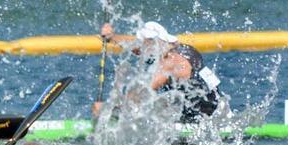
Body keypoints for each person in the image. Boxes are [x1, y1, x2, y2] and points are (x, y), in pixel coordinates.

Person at [95, 21, 223, 122]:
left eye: (147, 44)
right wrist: (112, 37)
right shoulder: (179, 48)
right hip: (218, 109)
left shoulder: (169, 63)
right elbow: (136, 47)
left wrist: (106, 109)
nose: (142, 49)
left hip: (206, 119)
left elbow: (141, 95)